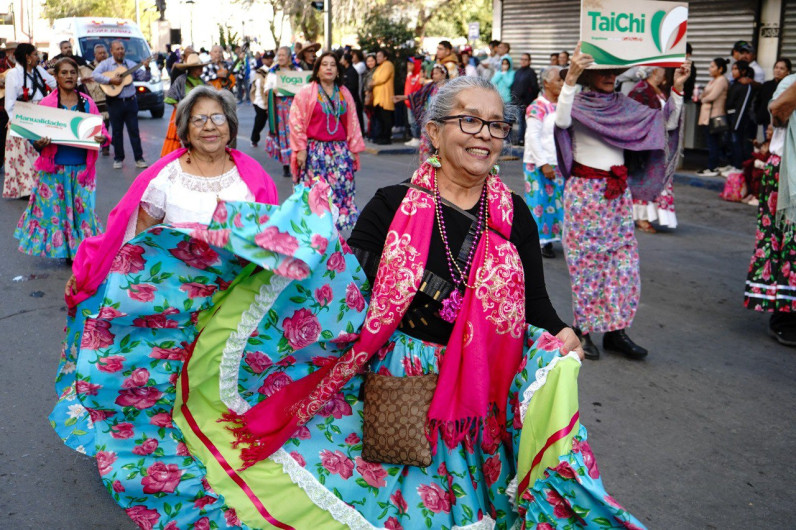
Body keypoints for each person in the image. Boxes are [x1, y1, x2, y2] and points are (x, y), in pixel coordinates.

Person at [53, 72, 652, 530]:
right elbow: (342, 280)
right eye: (470, 121)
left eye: (496, 126)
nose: (485, 135)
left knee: (475, 503)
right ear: (434, 132)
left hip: (481, 392)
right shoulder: (391, 204)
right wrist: (279, 244)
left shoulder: (515, 214)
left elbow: (536, 307)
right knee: (408, 504)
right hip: (404, 381)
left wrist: (561, 333)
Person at [555, 42, 689, 360]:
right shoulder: (576, 102)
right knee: (586, 264)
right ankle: (583, 330)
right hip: (585, 194)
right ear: (588, 75)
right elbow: (560, 122)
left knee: (622, 265)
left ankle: (616, 332)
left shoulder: (625, 107)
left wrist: (678, 89)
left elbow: (665, 124)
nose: (609, 76)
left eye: (614, 71)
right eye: (603, 71)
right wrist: (570, 79)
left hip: (618, 195)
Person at [14, 58, 109, 258]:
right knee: (57, 215)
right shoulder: (46, 104)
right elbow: (33, 135)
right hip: (54, 170)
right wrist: (38, 143)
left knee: (83, 213)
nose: (69, 76)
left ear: (77, 76)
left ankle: (81, 252)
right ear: (56, 77)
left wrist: (103, 137)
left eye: (72, 72)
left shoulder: (87, 102)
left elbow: (102, 131)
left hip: (82, 170)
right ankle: (67, 251)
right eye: (64, 73)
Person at [744, 73, 796, 344]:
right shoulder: (790, 83)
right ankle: (785, 317)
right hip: (786, 174)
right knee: (785, 241)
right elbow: (777, 115)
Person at [290, 52, 365, 231]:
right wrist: (301, 148)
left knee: (341, 194)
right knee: (315, 196)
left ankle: (335, 237)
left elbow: (353, 122)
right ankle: (315, 235)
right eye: (324, 64)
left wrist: (353, 150)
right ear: (317, 70)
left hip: (340, 152)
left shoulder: (344, 93)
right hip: (315, 153)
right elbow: (296, 120)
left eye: (333, 65)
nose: (329, 68)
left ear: (338, 71)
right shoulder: (307, 92)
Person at [3, 43, 57, 199]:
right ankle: (27, 189)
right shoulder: (13, 74)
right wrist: (17, 123)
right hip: (22, 115)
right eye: (35, 54)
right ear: (27, 57)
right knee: (23, 153)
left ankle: (40, 185)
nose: (37, 57)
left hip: (40, 114)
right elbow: (10, 103)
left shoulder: (38, 70)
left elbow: (54, 83)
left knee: (40, 150)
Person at [629, 67, 679, 233]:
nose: (665, 71)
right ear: (655, 71)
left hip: (661, 143)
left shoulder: (659, 90)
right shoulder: (640, 91)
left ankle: (650, 215)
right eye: (662, 68)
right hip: (647, 144)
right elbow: (634, 117)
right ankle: (641, 217)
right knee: (645, 179)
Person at [524, 66, 564, 259]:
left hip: (559, 163)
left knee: (557, 204)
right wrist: (543, 163)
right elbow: (533, 137)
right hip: (539, 164)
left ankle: (553, 238)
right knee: (539, 203)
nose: (563, 84)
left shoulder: (563, 105)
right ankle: (539, 241)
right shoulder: (537, 106)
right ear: (546, 83)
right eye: (559, 80)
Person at [93, 40, 151, 169]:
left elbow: (145, 78)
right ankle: (118, 158)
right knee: (117, 132)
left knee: (134, 131)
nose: (120, 51)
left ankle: (139, 158)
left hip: (130, 101)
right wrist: (110, 80)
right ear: (112, 51)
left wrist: (147, 68)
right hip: (115, 102)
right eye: (117, 49)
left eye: (122, 49)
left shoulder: (131, 64)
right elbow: (95, 75)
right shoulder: (106, 64)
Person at [161, 53, 208, 156]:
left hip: (199, 117)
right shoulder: (181, 80)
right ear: (192, 68)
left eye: (201, 66)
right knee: (181, 143)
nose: (201, 69)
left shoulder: (202, 81)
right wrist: (184, 110)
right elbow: (171, 98)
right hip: (182, 115)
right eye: (198, 67)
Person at [264, 45, 300, 178]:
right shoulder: (273, 72)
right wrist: (273, 90)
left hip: (295, 107)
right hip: (280, 109)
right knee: (284, 134)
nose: (280, 57)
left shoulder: (297, 71)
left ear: (289, 57)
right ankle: (286, 165)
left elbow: (304, 87)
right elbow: (266, 89)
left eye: (283, 55)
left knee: (296, 133)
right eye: (278, 55)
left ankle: (297, 161)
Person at [697, 58, 730, 177]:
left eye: (712, 66)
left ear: (720, 69)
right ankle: (712, 166)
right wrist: (703, 97)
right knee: (711, 142)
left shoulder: (721, 80)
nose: (709, 69)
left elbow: (712, 96)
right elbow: (703, 95)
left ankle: (713, 167)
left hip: (715, 116)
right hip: (707, 117)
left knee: (713, 142)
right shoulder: (713, 81)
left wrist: (703, 98)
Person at [725, 60, 758, 175]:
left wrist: (736, 123)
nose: (733, 72)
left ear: (743, 71)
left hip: (738, 119)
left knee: (737, 143)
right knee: (731, 142)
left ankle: (738, 166)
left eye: (736, 69)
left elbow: (742, 106)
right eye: (732, 69)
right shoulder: (735, 84)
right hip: (730, 117)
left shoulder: (746, 86)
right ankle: (733, 164)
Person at [79, 44, 111, 156]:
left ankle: (107, 144)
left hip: (110, 99)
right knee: (98, 124)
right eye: (100, 53)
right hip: (95, 100)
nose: (102, 55)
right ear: (95, 54)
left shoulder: (112, 66)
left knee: (109, 124)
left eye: (104, 53)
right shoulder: (86, 69)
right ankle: (100, 146)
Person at [754, 58, 792, 130]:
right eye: (776, 67)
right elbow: (758, 102)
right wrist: (758, 116)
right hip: (765, 122)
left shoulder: (789, 87)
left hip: (782, 124)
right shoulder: (766, 85)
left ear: (788, 72)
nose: (778, 70)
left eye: (782, 68)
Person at [511, 53, 539, 146]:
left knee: (526, 122)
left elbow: (535, 88)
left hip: (527, 102)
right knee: (519, 121)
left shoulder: (531, 72)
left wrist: (530, 100)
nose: (523, 61)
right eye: (522, 59)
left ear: (529, 61)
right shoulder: (518, 72)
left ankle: (524, 140)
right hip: (517, 101)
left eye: (525, 59)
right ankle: (520, 139)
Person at [369, 49, 394, 145]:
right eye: (377, 56)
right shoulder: (379, 67)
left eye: (380, 56)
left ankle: (386, 138)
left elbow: (382, 78)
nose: (377, 58)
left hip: (385, 97)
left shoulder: (388, 64)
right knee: (380, 118)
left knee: (386, 118)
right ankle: (381, 137)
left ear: (385, 57)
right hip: (378, 97)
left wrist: (373, 83)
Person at [0, 41, 18, 170]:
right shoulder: (1, 64)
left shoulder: (22, 66)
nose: (14, 54)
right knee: (1, 135)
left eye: (16, 51)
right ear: (7, 53)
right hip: (1, 106)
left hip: (18, 106)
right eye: (11, 51)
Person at [401, 56, 423, 146]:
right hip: (408, 102)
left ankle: (417, 137)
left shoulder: (419, 75)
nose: (408, 66)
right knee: (411, 122)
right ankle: (414, 137)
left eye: (411, 64)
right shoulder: (409, 75)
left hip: (416, 103)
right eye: (408, 64)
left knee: (415, 121)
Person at [249, 56, 270, 147]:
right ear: (263, 60)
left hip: (269, 101)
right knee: (260, 122)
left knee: (271, 123)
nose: (269, 60)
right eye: (267, 58)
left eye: (271, 58)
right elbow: (260, 89)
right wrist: (265, 104)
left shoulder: (274, 70)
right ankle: (254, 139)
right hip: (260, 101)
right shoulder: (260, 72)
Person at [362, 53, 377, 140]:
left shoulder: (376, 71)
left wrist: (368, 90)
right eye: (368, 61)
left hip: (374, 95)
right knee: (370, 116)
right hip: (368, 96)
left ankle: (373, 134)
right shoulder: (367, 72)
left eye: (372, 61)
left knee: (373, 116)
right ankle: (370, 133)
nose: (370, 63)